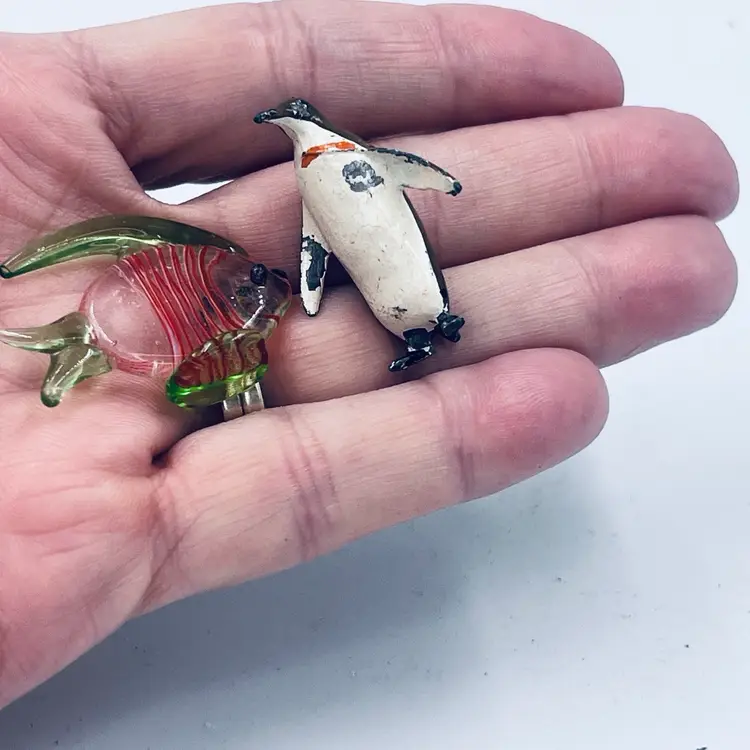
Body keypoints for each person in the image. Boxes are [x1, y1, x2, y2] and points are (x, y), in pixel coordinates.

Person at [0, 0, 738, 708]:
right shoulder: (306, 187)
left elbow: (355, 210)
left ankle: (424, 324)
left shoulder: (334, 168)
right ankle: (419, 326)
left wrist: (428, 190)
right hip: (324, 287)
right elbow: (309, 243)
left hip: (392, 275)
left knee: (428, 309)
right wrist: (303, 291)